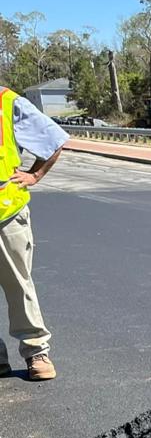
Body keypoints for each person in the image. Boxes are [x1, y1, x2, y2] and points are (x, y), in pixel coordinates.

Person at [0, 86, 68, 381]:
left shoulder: (6, 102)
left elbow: (53, 139)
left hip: (6, 212)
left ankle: (36, 350)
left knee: (18, 284)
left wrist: (35, 175)